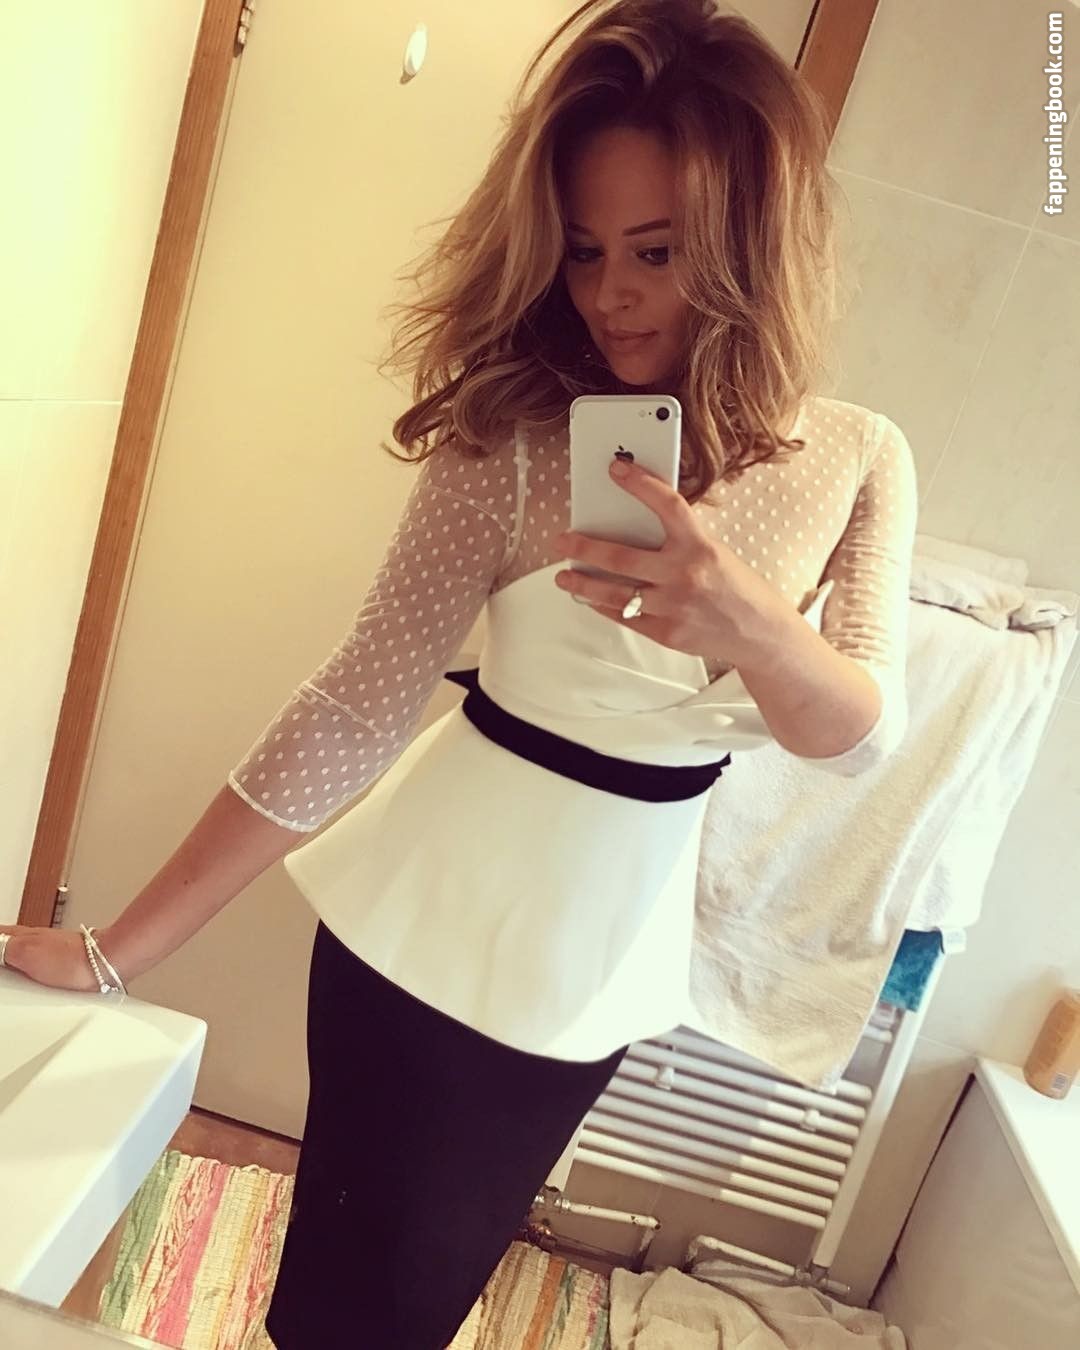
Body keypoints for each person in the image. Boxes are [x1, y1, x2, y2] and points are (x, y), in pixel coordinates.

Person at [0, 1, 917, 1345]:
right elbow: (355, 705)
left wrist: (752, 623)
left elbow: (864, 738)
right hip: (417, 934)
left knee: (423, 1295)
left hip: (601, 962)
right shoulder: (519, 439)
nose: (609, 294)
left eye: (657, 250)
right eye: (586, 250)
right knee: (348, 1308)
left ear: (750, 242)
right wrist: (116, 949)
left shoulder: (860, 455)